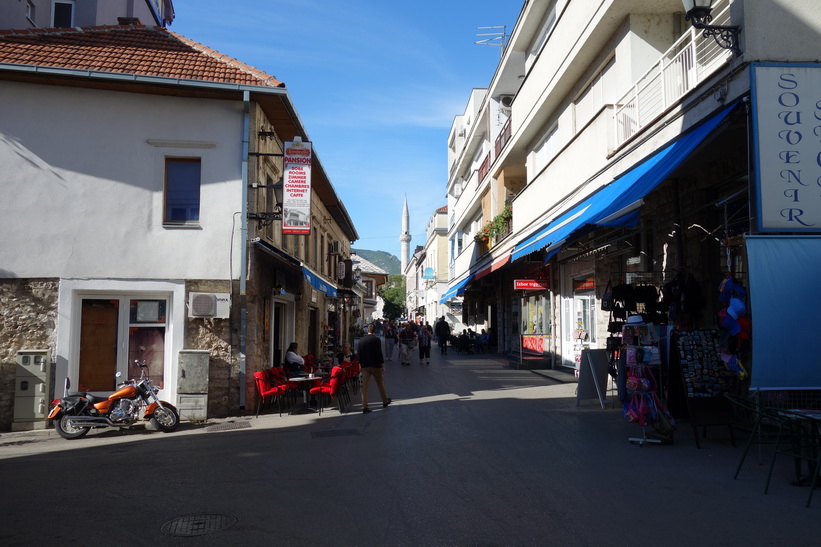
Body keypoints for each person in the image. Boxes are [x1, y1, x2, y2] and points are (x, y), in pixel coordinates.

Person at [358, 323, 391, 414]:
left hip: (365, 366)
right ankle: (384, 401)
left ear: (367, 330)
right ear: (374, 331)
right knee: (380, 384)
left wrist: (360, 364)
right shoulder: (377, 340)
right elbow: (379, 353)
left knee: (365, 387)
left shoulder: (361, 340)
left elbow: (359, 354)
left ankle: (365, 406)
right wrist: (382, 365)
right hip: (375, 366)